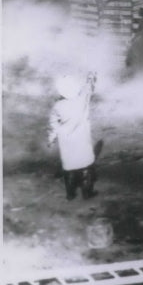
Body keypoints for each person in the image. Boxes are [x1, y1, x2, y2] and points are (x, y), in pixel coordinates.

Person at [47, 72, 97, 200]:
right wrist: (90, 78)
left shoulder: (58, 106)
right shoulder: (82, 100)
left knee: (69, 168)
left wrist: (52, 137)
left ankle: (70, 194)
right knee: (86, 167)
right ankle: (87, 193)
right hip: (82, 139)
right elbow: (88, 89)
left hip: (66, 141)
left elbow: (53, 123)